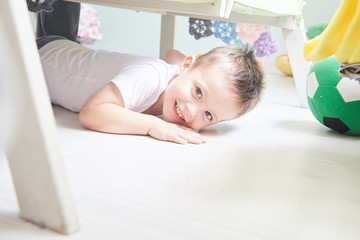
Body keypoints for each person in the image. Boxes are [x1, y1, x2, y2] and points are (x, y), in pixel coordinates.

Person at [36, 1, 264, 145]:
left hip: (56, 52)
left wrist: (194, 71)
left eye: (208, 115)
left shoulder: (178, 74)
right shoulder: (149, 76)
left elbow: (172, 54)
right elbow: (92, 113)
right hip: (36, 58)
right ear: (185, 66)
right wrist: (153, 126)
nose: (192, 111)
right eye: (198, 92)